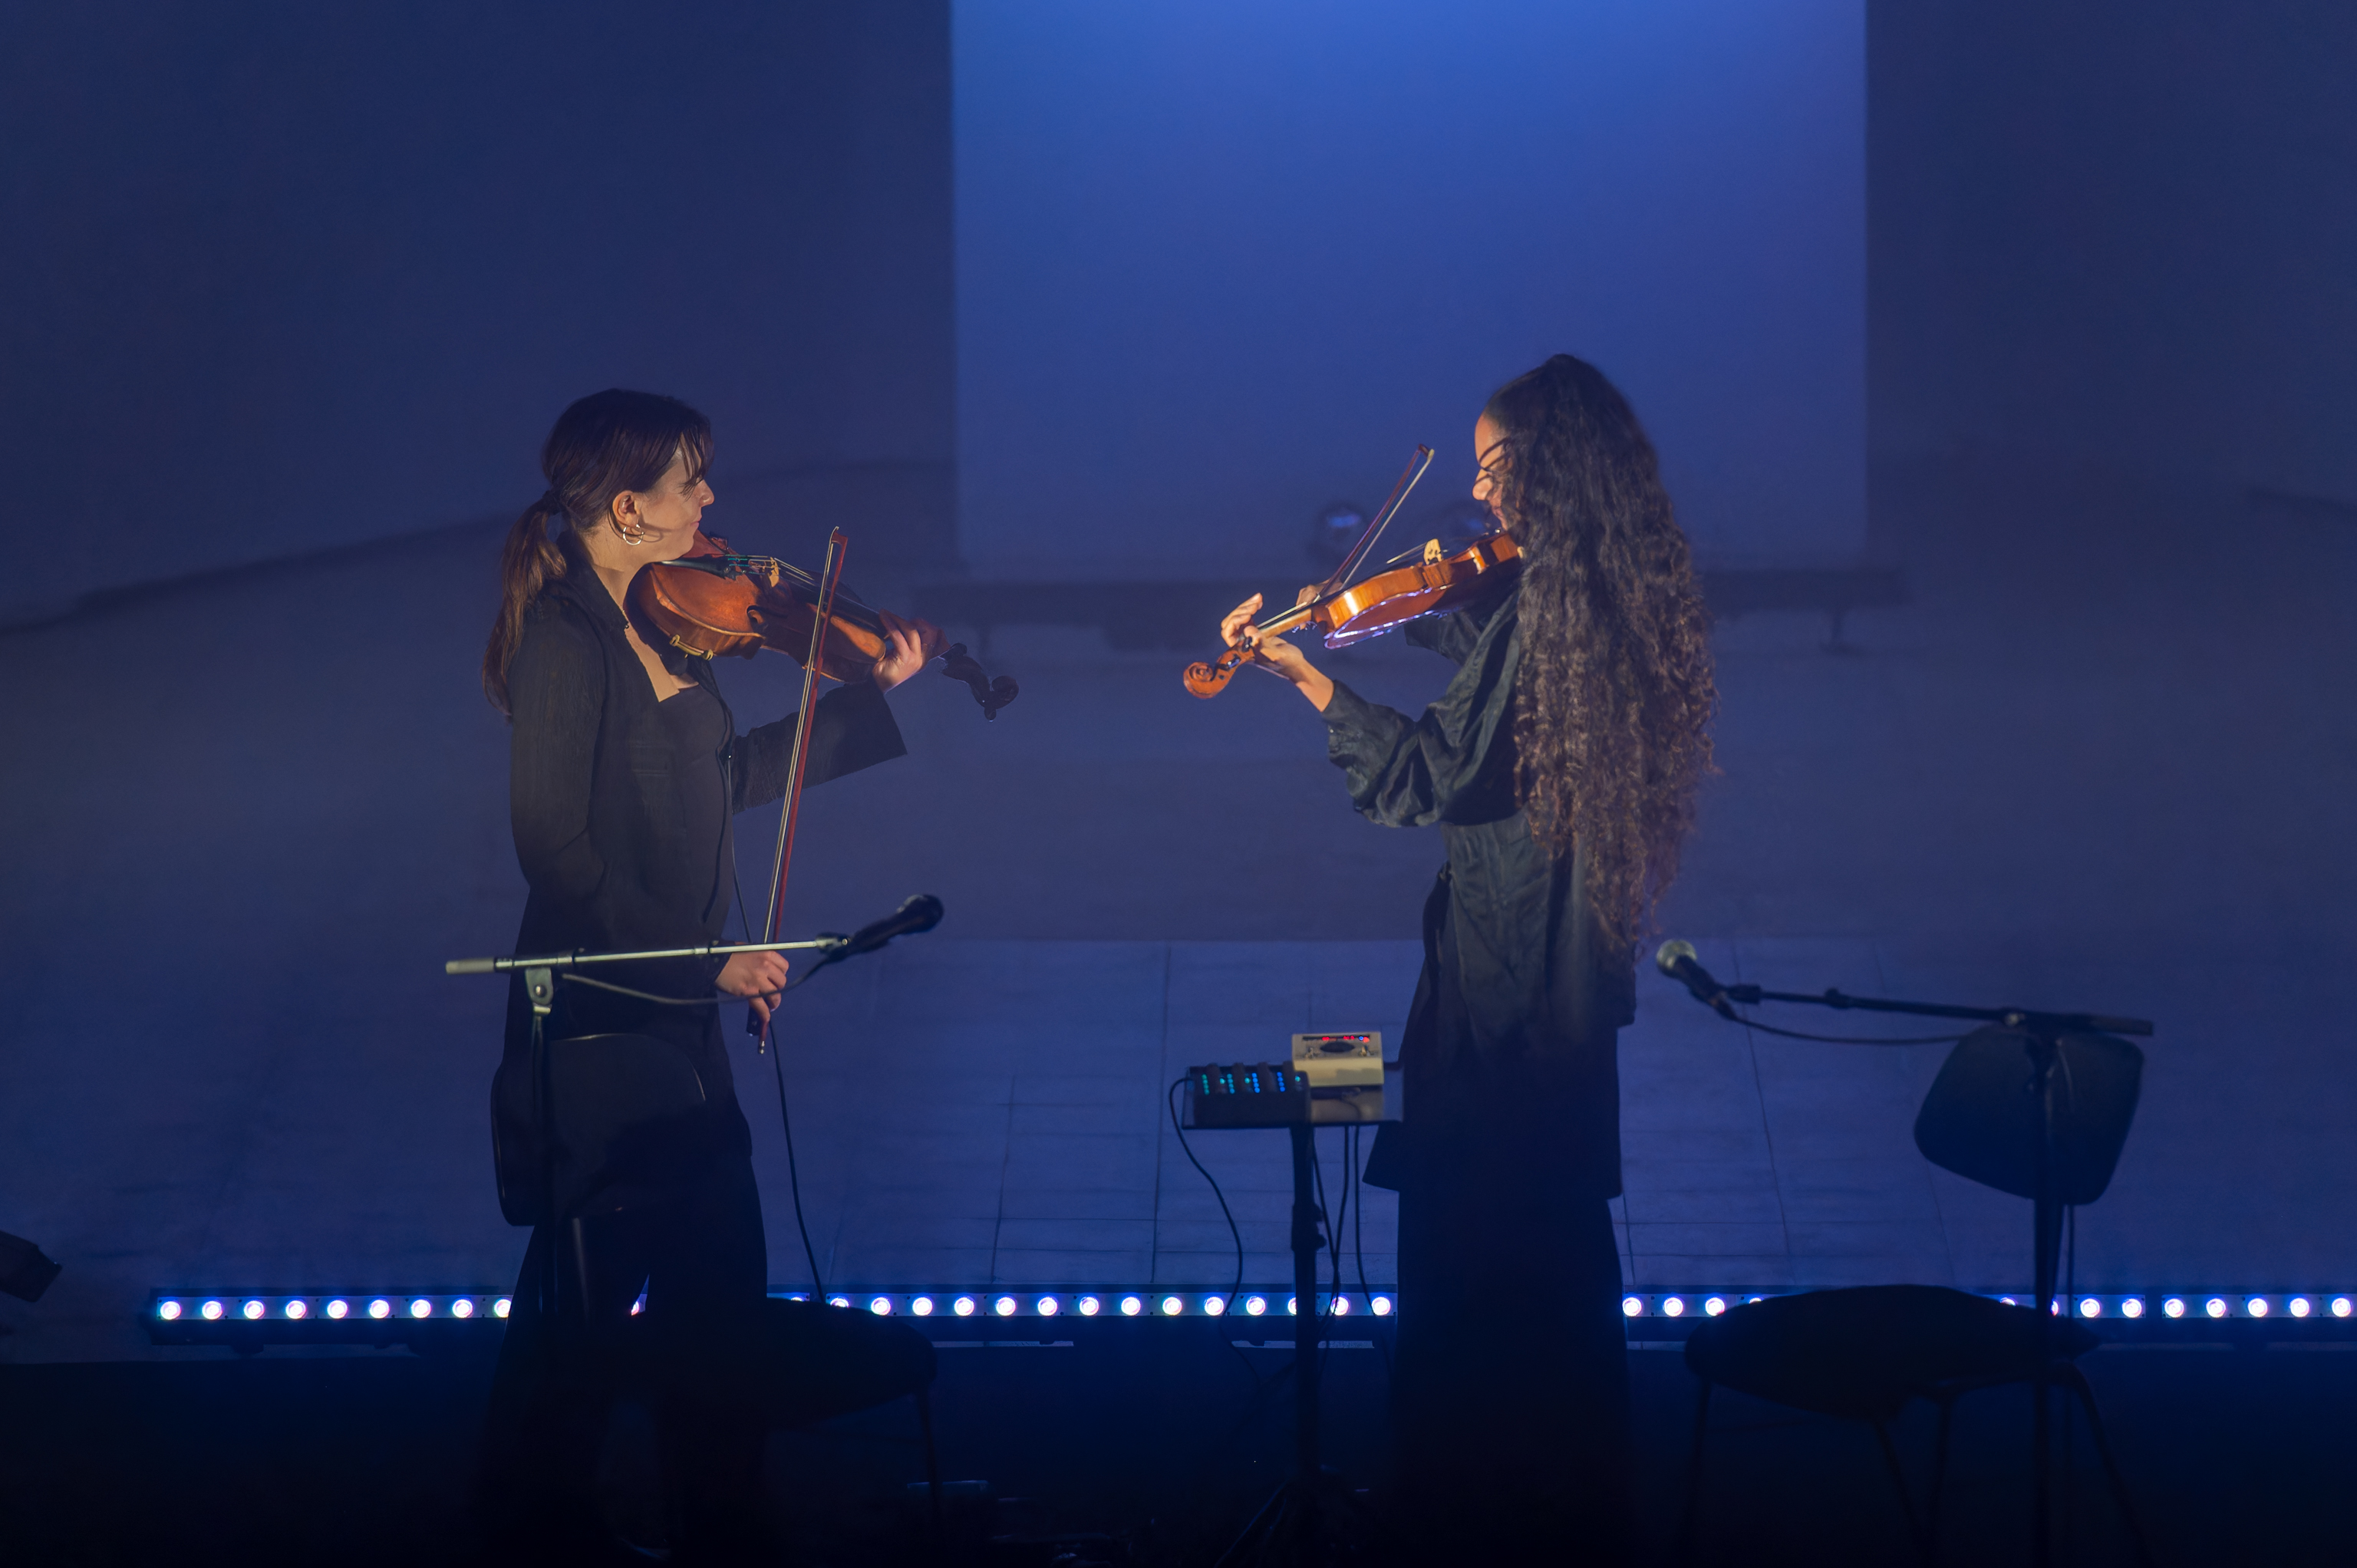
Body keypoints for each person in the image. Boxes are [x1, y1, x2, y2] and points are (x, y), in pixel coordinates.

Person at [1217, 354, 1716, 1558]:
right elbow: (1498, 675)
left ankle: (1464, 1512)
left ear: (1549, 465)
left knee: (1476, 1274)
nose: (1483, 501)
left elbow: (1424, 777)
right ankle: (1565, 1509)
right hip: (1555, 978)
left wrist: (1306, 673)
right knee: (1552, 1273)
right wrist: (1380, 615)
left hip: (1507, 982)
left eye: (1497, 469)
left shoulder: (1547, 611)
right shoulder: (1593, 593)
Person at [474, 388, 942, 1563]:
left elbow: (720, 780)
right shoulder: (569, 642)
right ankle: (533, 1535)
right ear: (629, 508)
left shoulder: (671, 620)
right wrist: (705, 962)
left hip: (679, 1023)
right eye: (693, 483)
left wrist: (860, 700)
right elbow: (554, 850)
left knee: (719, 1315)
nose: (713, 503)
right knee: (577, 1339)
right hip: (602, 1033)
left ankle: (724, 1538)